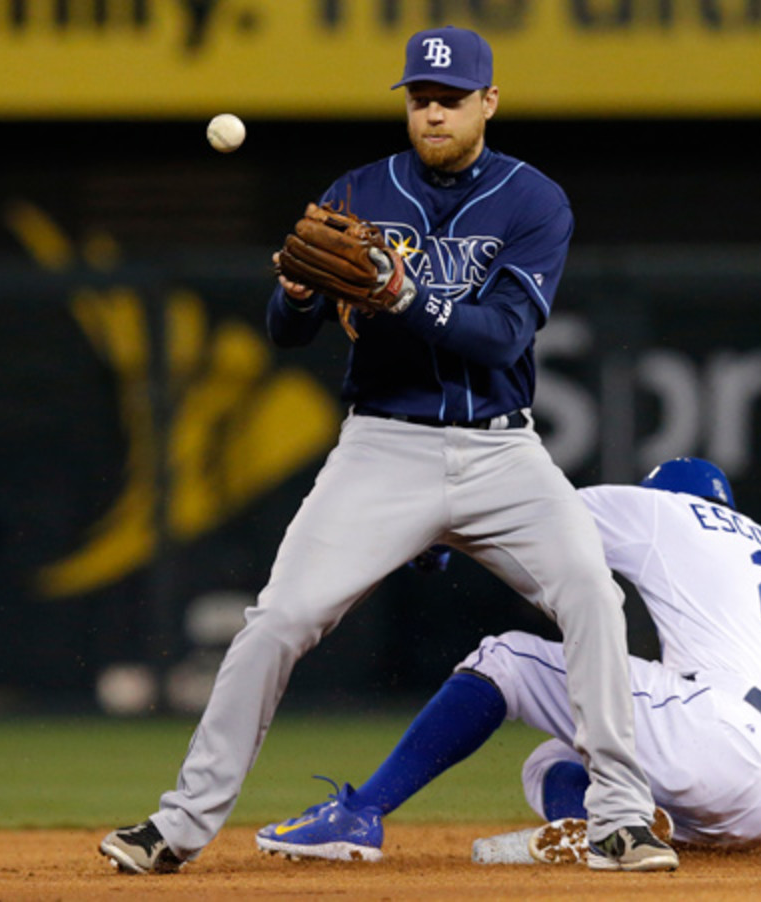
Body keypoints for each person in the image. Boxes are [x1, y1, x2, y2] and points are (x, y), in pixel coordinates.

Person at [99, 25, 671, 875]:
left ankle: (619, 819)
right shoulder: (360, 190)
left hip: (501, 455)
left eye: (450, 99)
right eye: (420, 99)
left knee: (591, 592)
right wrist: (295, 297)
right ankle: (178, 825)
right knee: (278, 621)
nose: (433, 114)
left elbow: (503, 334)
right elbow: (284, 333)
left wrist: (403, 296)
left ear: (489, 102)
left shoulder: (532, 200)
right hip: (383, 447)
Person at [255, 458, 761, 862]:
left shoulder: (659, 510)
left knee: (507, 659)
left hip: (713, 734)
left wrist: (432, 535)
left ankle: (360, 814)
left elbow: (528, 515)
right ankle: (595, 829)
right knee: (553, 759)